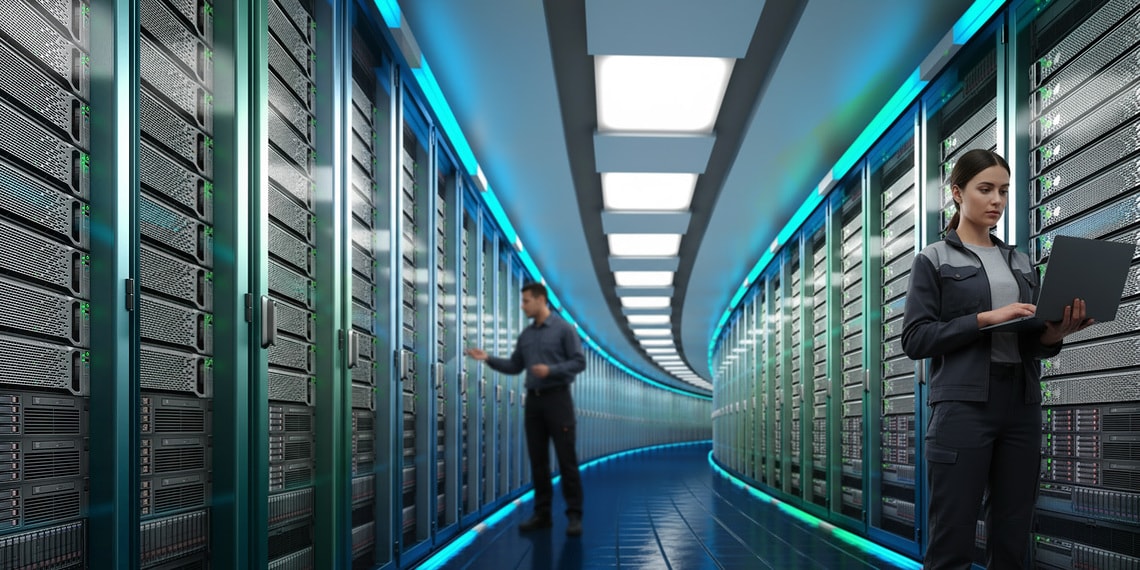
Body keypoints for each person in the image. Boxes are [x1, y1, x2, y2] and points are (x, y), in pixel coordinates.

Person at [901, 149, 1091, 569]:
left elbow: (1032, 340)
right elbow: (915, 339)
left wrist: (1054, 334)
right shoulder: (933, 259)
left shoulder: (1021, 262)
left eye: (1003, 191)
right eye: (985, 189)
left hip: (1021, 406)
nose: (996, 201)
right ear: (957, 193)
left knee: (1012, 537)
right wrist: (985, 318)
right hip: (962, 407)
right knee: (952, 540)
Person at [464, 282, 587, 536]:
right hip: (534, 401)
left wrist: (551, 370)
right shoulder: (527, 336)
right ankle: (542, 514)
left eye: (526, 301)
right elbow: (515, 366)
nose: (523, 306)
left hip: (558, 399)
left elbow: (579, 361)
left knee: (567, 460)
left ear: (541, 300)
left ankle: (574, 515)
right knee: (538, 461)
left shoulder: (564, 330)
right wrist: (487, 358)